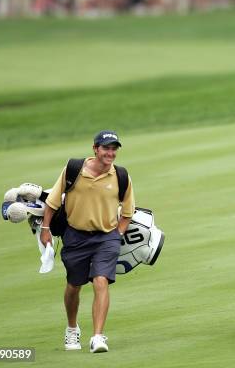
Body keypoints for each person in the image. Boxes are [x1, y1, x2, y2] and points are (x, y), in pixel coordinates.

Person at [40, 130, 135, 352]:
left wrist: (117, 235)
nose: (110, 153)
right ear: (95, 148)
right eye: (106, 148)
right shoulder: (73, 169)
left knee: (101, 280)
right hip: (75, 236)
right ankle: (72, 330)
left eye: (114, 149)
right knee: (74, 286)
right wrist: (45, 228)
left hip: (106, 237)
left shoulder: (121, 175)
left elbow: (128, 212)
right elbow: (52, 202)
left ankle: (98, 337)